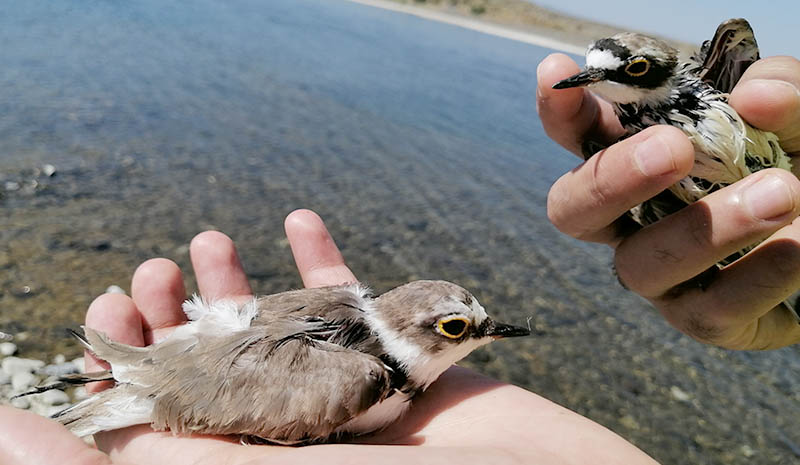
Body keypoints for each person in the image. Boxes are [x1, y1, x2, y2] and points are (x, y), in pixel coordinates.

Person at [0, 209, 661, 465]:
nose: (479, 338)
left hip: (191, 364)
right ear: (415, 329)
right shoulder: (368, 380)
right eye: (460, 330)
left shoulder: (354, 307)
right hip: (157, 386)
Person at [537, 53, 800, 350]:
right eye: (591, 71)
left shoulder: (713, 89)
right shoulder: (634, 140)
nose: (594, 77)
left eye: (636, 68)